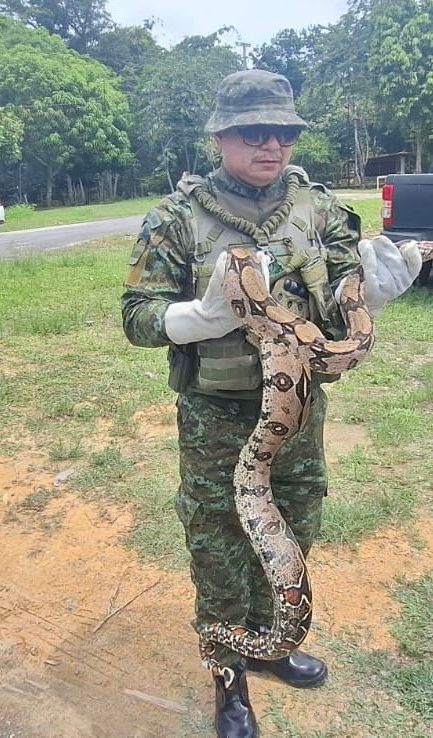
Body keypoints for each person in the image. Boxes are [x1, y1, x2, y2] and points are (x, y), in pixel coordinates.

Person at [121, 69, 422, 738]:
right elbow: (135, 317)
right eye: (255, 132)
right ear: (220, 136)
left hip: (300, 414)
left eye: (283, 132)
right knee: (218, 543)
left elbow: (344, 286)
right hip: (214, 416)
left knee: (296, 526)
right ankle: (228, 675)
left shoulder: (319, 210)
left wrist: (365, 296)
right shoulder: (173, 218)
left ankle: (270, 642)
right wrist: (193, 319)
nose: (272, 145)